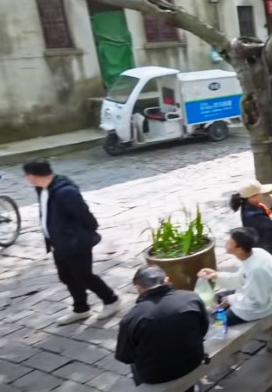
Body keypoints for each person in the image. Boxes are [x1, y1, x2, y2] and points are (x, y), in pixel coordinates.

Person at [23, 159, 119, 325]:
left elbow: (84, 214)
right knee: (67, 276)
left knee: (84, 276)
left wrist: (83, 234)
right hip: (58, 243)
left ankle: (111, 300)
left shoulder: (65, 191)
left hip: (75, 243)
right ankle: (81, 308)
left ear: (32, 176)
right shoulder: (42, 188)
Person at [116, 266, 208, 390]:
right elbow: (203, 329)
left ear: (139, 288)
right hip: (193, 361)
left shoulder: (132, 317)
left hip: (156, 375)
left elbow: (125, 356)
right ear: (167, 280)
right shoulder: (190, 297)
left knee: (134, 364)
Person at [197, 228, 272, 325]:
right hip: (250, 292)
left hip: (260, 308)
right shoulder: (254, 253)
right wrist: (216, 276)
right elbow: (240, 278)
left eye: (230, 241)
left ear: (240, 249)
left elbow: (257, 302)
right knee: (215, 298)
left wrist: (231, 300)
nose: (226, 242)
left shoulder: (256, 270)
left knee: (213, 321)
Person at [231, 181, 272, 262]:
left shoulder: (253, 206)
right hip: (268, 250)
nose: (263, 194)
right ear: (253, 196)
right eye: (260, 193)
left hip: (268, 247)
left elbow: (270, 217)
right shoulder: (252, 215)